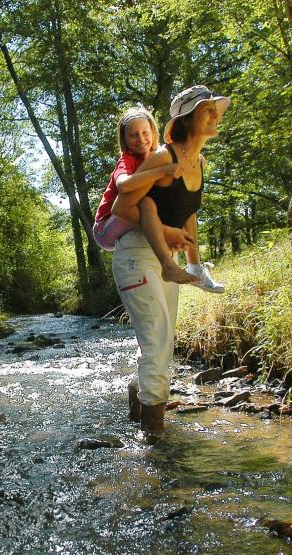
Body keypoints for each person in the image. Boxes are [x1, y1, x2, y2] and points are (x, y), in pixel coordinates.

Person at [111, 85, 231, 431]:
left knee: (158, 342)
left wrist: (195, 263)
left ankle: (138, 404)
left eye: (214, 109)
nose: (213, 114)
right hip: (136, 255)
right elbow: (122, 206)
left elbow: (189, 213)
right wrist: (166, 232)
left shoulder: (199, 162)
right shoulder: (164, 157)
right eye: (205, 109)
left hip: (165, 259)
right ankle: (155, 443)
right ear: (186, 119)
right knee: (159, 344)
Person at [93, 108, 199, 284]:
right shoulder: (127, 160)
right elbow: (124, 185)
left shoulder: (157, 155)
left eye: (145, 133)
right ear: (124, 140)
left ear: (153, 133)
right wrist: (161, 171)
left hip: (123, 221)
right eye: (133, 135)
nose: (141, 139)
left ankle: (194, 264)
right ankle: (168, 267)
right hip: (105, 228)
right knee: (147, 203)